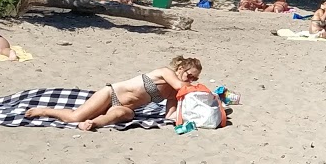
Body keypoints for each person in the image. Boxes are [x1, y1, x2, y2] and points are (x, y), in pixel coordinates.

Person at [24, 57, 201, 131]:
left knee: (118, 115)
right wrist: (202, 91)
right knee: (74, 117)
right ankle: (46, 111)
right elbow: (181, 86)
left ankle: (92, 124)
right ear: (180, 68)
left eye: (194, 78)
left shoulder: (173, 93)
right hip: (112, 93)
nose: (191, 79)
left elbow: (169, 116)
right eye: (189, 75)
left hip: (126, 107)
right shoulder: (166, 73)